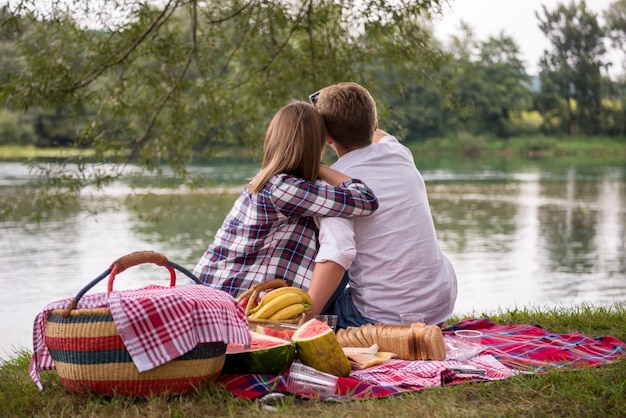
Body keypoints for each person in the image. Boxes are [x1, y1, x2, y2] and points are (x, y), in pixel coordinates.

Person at [305, 82, 458, 328]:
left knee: (321, 292)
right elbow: (378, 133)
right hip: (439, 305)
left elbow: (337, 255)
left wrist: (304, 319)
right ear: (374, 125)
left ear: (327, 137)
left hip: (384, 317)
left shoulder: (335, 188)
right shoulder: (398, 152)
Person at [193, 100, 379, 298]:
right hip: (229, 299)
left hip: (216, 290)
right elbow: (366, 200)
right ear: (316, 144)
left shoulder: (269, 182)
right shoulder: (283, 189)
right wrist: (321, 167)